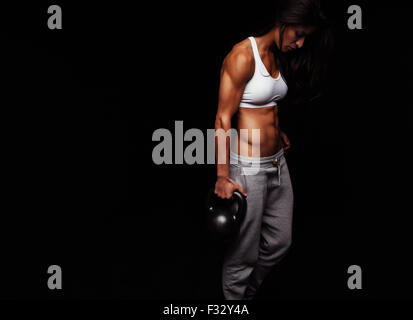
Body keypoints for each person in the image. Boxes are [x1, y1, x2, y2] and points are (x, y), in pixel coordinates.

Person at [214, 0, 333, 300]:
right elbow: (223, 118)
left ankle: (246, 295)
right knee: (244, 253)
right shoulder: (242, 55)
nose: (301, 42)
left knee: (280, 242)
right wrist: (222, 175)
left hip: (277, 162)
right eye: (299, 33)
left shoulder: (276, 54)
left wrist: (276, 131)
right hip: (248, 166)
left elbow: (262, 103)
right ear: (284, 21)